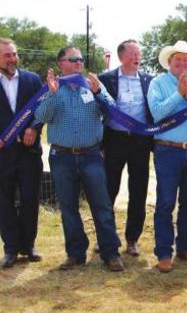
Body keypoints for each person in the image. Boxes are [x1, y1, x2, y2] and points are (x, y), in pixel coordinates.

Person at [34, 46, 124, 272]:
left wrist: (98, 93)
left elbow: (113, 111)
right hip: (62, 157)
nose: (78, 63)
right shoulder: (53, 89)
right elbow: (41, 116)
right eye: (73, 59)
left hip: (91, 155)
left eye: (80, 59)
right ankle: (75, 253)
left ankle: (110, 253)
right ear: (61, 64)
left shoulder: (92, 86)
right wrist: (52, 95)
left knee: (102, 206)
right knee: (68, 207)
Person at [147, 40, 187, 273]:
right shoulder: (158, 83)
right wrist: (178, 95)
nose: (182, 63)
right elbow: (157, 113)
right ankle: (164, 252)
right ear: (169, 62)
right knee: (165, 202)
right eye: (178, 59)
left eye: (186, 60)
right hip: (167, 149)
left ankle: (185, 246)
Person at [98, 40, 153, 257]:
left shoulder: (149, 80)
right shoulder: (106, 79)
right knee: (109, 189)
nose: (137, 57)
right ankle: (106, 237)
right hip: (114, 140)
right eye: (132, 54)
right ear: (121, 57)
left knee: (138, 190)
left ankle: (132, 239)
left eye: (139, 53)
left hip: (140, 141)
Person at [0, 38, 43, 268]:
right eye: (7, 55)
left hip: (29, 153)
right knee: (3, 201)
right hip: (2, 155)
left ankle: (29, 245)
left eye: (14, 54)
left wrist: (34, 128)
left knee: (30, 199)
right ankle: (10, 248)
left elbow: (42, 109)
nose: (12, 59)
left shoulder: (32, 80)